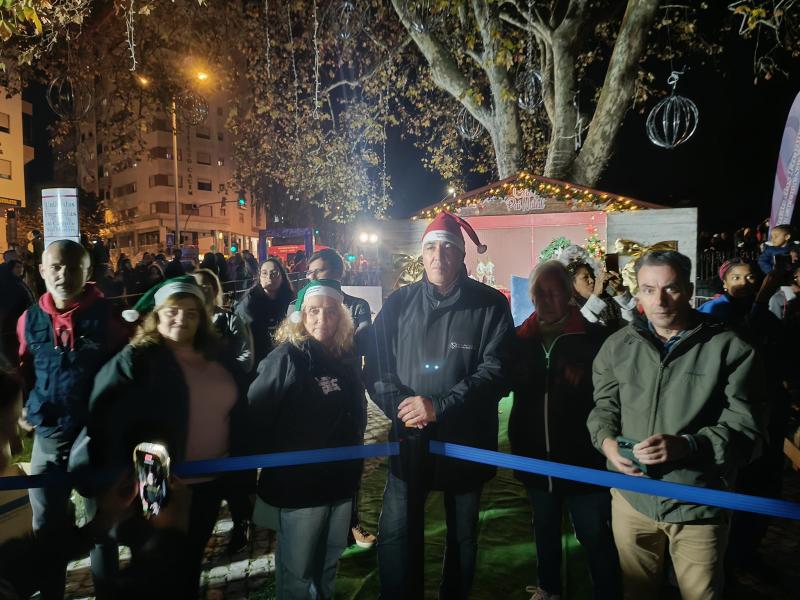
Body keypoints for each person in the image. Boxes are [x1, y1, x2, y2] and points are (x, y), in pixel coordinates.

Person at [587, 250, 766, 600]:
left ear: (689, 288)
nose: (660, 300)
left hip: (698, 504)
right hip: (631, 499)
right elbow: (603, 408)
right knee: (637, 592)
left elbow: (749, 430)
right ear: (637, 292)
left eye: (671, 289)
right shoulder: (617, 346)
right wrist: (606, 442)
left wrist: (689, 445)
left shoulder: (731, 348)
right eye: (649, 289)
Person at [365, 212, 514, 599]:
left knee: (462, 538)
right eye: (431, 247)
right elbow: (376, 366)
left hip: (467, 442)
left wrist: (440, 406)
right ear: (422, 253)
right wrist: (404, 407)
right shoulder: (399, 304)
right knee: (397, 535)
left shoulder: (490, 305)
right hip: (409, 439)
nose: (438, 256)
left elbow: (497, 373)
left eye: (448, 248)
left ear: (461, 254)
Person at [86, 276, 249, 597]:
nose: (182, 319)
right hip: (157, 489)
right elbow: (103, 421)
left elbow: (237, 411)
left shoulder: (217, 356)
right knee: (158, 572)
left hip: (209, 485)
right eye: (173, 311)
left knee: (189, 565)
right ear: (157, 314)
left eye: (192, 313)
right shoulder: (136, 360)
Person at [15, 239, 129, 599]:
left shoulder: (108, 318)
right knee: (47, 526)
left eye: (72, 266)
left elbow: (126, 369)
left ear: (87, 272)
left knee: (101, 525)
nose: (63, 274)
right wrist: (25, 409)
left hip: (95, 436)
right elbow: (23, 368)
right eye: (56, 267)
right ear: (43, 271)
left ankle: (106, 593)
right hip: (48, 437)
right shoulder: (28, 319)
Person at [248, 279, 366, 599]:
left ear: (341, 317)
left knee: (328, 565)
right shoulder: (286, 358)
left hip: (340, 484)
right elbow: (256, 418)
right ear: (300, 316)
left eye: (330, 312)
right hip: (300, 488)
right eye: (314, 311)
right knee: (297, 573)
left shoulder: (345, 359)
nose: (322, 319)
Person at [510, 261, 621, 600]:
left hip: (582, 458)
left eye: (553, 291)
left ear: (569, 294)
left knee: (593, 532)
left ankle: (608, 591)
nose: (545, 298)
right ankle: (549, 588)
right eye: (538, 293)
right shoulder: (518, 340)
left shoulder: (592, 337)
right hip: (534, 456)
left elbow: (613, 393)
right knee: (543, 528)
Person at [697, 259, 792, 576]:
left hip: (769, 411)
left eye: (751, 276)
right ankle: (725, 557)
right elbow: (737, 350)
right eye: (736, 277)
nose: (745, 282)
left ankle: (748, 551)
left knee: (766, 484)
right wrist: (761, 303)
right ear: (724, 282)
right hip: (731, 413)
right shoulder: (715, 311)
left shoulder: (765, 312)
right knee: (737, 484)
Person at [305, 248, 375, 549]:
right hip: (311, 398)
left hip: (349, 396)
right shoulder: (303, 305)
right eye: (310, 271)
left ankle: (351, 522)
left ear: (336, 272)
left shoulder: (358, 306)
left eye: (317, 271)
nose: (310, 276)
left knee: (351, 459)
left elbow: (357, 343)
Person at [192, 267, 256, 553]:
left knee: (234, 469)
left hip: (228, 404)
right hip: (195, 409)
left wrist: (216, 370)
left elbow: (245, 358)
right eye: (197, 284)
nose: (202, 288)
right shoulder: (187, 320)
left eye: (208, 284)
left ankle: (242, 521)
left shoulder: (229, 319)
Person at [235, 258, 295, 367]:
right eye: (264, 273)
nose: (269, 277)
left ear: (282, 276)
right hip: (258, 360)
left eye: (274, 273)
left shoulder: (291, 301)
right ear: (259, 278)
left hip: (286, 358)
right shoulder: (248, 303)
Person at [560, 248, 635, 328]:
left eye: (592, 276)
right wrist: (596, 294)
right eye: (585, 277)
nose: (592, 280)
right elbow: (581, 326)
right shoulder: (568, 309)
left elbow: (633, 322)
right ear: (571, 284)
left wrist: (620, 291)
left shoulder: (607, 300)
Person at [0, 258, 35, 365]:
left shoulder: (18, 282)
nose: (20, 270)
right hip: (10, 326)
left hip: (22, 324)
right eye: (17, 267)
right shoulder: (8, 284)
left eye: (21, 267)